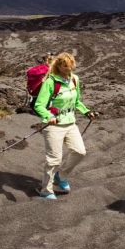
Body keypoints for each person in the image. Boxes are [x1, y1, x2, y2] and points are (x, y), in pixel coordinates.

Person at [33, 52, 97, 200]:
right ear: (59, 66)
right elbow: (39, 105)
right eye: (66, 67)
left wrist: (87, 112)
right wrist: (49, 116)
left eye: (71, 66)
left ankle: (60, 176)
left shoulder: (75, 79)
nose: (69, 69)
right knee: (54, 159)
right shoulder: (50, 82)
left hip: (70, 123)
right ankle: (46, 190)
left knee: (80, 152)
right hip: (53, 125)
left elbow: (77, 102)